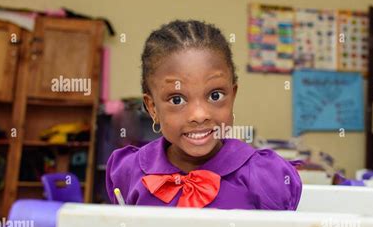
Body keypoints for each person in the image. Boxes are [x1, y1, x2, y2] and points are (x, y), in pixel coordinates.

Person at [106, 20, 302, 209]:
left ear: (232, 96)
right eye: (177, 100)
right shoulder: (129, 170)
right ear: (152, 108)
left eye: (215, 95)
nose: (199, 115)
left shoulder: (265, 176)